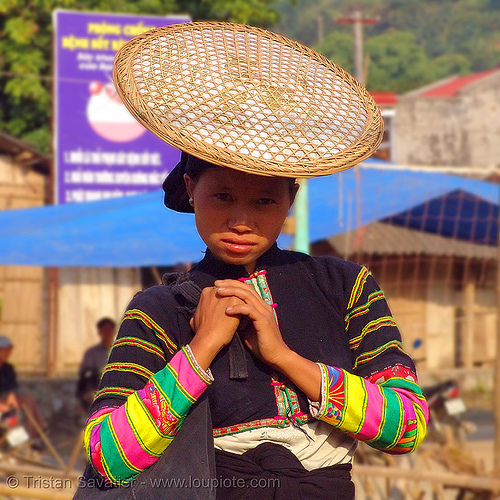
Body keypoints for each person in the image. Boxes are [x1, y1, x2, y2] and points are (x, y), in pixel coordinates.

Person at [83, 22, 428, 499]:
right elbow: (109, 457)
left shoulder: (345, 286)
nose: (241, 221)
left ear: (290, 197)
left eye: (265, 202)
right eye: (222, 196)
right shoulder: (159, 309)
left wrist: (283, 357)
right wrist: (201, 349)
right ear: (190, 188)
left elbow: (407, 427)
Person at [0, 335, 47, 439]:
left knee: (28, 399)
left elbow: (12, 386)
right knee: (11, 415)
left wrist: (11, 395)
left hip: (7, 399)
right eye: (4, 350)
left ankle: (35, 432)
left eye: (8, 350)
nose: (7, 353)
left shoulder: (8, 368)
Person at [76, 317, 116, 411]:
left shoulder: (119, 350)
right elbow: (85, 376)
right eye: (105, 330)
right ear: (99, 332)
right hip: (95, 389)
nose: (107, 333)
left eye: (110, 330)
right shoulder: (92, 353)